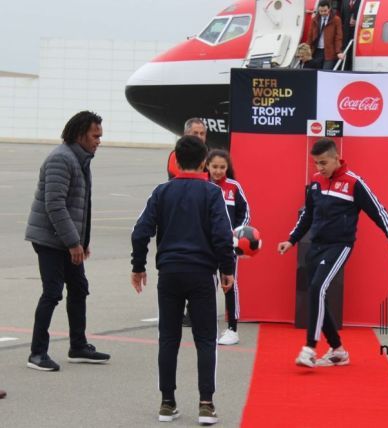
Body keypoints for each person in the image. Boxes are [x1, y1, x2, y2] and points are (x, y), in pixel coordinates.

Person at [131, 135, 235, 424]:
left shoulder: (161, 191)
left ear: (175, 160)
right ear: (204, 163)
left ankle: (167, 402)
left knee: (169, 338)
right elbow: (223, 237)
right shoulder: (213, 193)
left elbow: (140, 232)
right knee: (205, 339)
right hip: (201, 273)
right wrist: (228, 270)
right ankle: (206, 404)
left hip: (170, 272)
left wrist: (138, 266)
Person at [277, 138, 388, 368]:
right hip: (315, 247)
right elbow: (307, 215)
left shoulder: (354, 183)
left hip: (339, 246)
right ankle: (338, 350)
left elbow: (379, 212)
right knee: (316, 295)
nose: (319, 168)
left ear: (337, 158)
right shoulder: (316, 182)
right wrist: (291, 239)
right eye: (316, 163)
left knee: (317, 288)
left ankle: (309, 348)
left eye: (324, 162)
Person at [25, 111, 111, 372]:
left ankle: (78, 346)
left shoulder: (81, 159)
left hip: (67, 239)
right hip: (49, 240)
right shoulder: (61, 159)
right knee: (52, 292)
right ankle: (37, 353)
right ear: (79, 134)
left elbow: (80, 206)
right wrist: (74, 242)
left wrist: (81, 242)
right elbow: (55, 205)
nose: (99, 141)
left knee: (79, 288)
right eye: (95, 136)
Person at [207, 149, 250, 346]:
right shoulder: (203, 186)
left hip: (227, 246)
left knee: (230, 284)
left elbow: (245, 212)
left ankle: (233, 329)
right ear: (207, 166)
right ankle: (207, 327)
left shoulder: (233, 187)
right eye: (214, 167)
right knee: (208, 285)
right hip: (205, 246)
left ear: (228, 168)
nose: (218, 171)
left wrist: (236, 233)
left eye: (222, 167)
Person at [170, 118, 209, 327]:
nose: (199, 137)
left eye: (202, 134)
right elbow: (179, 181)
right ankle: (183, 309)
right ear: (185, 135)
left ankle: (194, 311)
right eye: (195, 133)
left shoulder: (210, 157)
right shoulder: (177, 157)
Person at [306, 0, 344, 70]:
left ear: (329, 9)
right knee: (315, 71)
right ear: (318, 10)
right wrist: (306, 50)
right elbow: (310, 36)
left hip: (329, 51)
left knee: (326, 71)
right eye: (321, 11)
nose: (323, 13)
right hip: (317, 51)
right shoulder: (315, 20)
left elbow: (338, 37)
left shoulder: (336, 20)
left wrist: (338, 51)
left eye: (325, 11)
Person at [339, 0, 360, 70]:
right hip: (346, 35)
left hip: (357, 35)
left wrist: (357, 22)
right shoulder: (345, 2)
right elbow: (342, 19)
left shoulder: (362, 2)